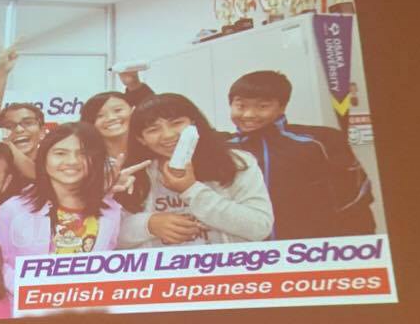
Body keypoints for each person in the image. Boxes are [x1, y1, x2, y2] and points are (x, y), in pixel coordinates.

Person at [226, 70, 375, 239]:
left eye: (262, 106)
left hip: (311, 249)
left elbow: (355, 199)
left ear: (282, 107)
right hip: (249, 251)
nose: (249, 114)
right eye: (241, 106)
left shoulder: (321, 141)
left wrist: (359, 244)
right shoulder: (224, 148)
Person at [116, 94, 273, 248]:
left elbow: (260, 227)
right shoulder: (133, 174)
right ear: (141, 139)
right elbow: (110, 235)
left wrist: (191, 190)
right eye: (153, 129)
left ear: (194, 124)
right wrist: (149, 224)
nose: (168, 135)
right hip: (162, 265)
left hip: (229, 263)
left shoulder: (236, 162)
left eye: (176, 123)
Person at [0, 122, 122, 292]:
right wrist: (30, 292)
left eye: (83, 154)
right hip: (25, 304)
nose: (72, 161)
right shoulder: (11, 210)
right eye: (60, 153)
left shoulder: (111, 211)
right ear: (44, 158)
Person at [79, 69, 155, 161]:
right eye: (100, 116)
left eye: (118, 110)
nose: (111, 118)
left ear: (132, 110)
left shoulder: (154, 150)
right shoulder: (85, 160)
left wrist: (134, 85)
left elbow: (155, 110)